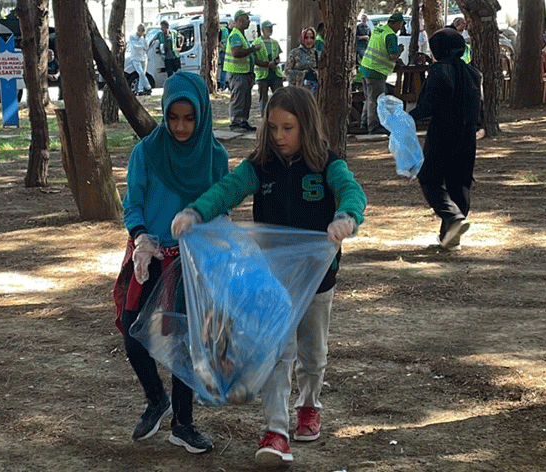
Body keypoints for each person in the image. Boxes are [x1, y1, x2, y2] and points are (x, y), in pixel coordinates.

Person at [171, 85, 366, 467]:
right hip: (273, 285)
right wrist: (196, 212)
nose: (279, 136)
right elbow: (227, 190)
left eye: (288, 128)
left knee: (312, 354)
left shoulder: (328, 164)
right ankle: (275, 431)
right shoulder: (260, 165)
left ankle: (308, 406)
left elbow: (351, 192)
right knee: (276, 352)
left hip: (318, 281)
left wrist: (346, 218)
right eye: (273, 127)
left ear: (306, 126)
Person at [113, 71, 229, 455]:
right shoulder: (146, 152)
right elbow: (133, 203)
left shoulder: (215, 157)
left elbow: (221, 205)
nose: (180, 127)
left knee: (184, 343)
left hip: (192, 262)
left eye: (189, 118)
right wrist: (141, 236)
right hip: (149, 255)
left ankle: (183, 424)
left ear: (202, 116)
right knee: (133, 334)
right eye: (173, 117)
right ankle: (156, 399)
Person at [409, 28, 482, 251]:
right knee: (459, 184)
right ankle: (450, 238)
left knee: (429, 179)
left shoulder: (439, 71)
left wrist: (404, 119)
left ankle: (453, 217)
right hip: (467, 136)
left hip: (442, 134)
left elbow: (427, 106)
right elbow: (478, 107)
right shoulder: (473, 73)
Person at [359, 12, 405, 134]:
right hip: (376, 71)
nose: (400, 28)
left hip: (365, 67)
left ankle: (364, 124)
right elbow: (393, 55)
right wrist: (400, 50)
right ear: (396, 24)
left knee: (369, 98)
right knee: (376, 99)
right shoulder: (390, 35)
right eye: (400, 25)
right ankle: (373, 126)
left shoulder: (378, 30)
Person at [223, 9, 262, 131]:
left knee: (245, 100)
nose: (249, 22)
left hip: (244, 73)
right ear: (240, 21)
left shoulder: (241, 35)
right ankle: (235, 123)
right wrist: (252, 49)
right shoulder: (235, 35)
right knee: (238, 99)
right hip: (237, 73)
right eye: (247, 19)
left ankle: (243, 121)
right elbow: (236, 53)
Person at [253, 20, 283, 116]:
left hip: (275, 73)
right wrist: (267, 64)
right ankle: (265, 116)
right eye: (268, 28)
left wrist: (275, 62)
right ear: (262, 30)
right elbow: (255, 59)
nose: (270, 30)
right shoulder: (256, 42)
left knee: (280, 96)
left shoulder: (275, 42)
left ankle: (279, 114)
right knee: (263, 98)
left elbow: (278, 57)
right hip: (262, 75)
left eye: (271, 28)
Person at [285, 27, 320, 92]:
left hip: (313, 92)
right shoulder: (294, 52)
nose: (309, 40)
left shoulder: (317, 54)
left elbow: (322, 72)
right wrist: (302, 74)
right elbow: (287, 71)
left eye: (312, 38)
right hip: (297, 91)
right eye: (306, 37)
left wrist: (315, 74)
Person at [127, 24, 151, 96]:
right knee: (141, 73)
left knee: (142, 74)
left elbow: (146, 47)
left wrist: (142, 47)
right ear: (138, 30)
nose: (141, 34)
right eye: (141, 32)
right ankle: (148, 87)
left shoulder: (143, 38)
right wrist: (142, 47)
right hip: (135, 58)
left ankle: (140, 89)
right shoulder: (132, 37)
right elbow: (134, 47)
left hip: (143, 58)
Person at [218, 21, 232, 90]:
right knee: (224, 69)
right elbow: (218, 42)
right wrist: (224, 47)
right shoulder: (223, 30)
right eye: (233, 23)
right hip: (224, 52)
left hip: (228, 52)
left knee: (229, 69)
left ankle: (228, 84)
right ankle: (223, 85)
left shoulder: (233, 31)